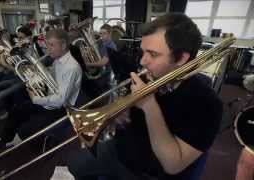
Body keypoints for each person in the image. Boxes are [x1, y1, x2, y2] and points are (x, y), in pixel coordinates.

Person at [67, 13, 223, 180]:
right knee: (74, 165)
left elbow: (173, 164)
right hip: (121, 150)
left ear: (181, 58)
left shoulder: (207, 103)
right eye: (143, 52)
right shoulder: (148, 76)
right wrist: (118, 113)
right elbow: (126, 116)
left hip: (149, 173)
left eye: (153, 54)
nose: (142, 61)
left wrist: (149, 105)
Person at [0, 29, 83, 148]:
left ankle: (15, 138)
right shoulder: (58, 60)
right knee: (16, 111)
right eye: (47, 45)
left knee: (26, 128)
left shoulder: (72, 67)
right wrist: (35, 73)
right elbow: (52, 77)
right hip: (49, 99)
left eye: (51, 45)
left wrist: (35, 99)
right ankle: (5, 139)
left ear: (64, 45)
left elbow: (61, 100)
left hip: (61, 109)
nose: (48, 49)